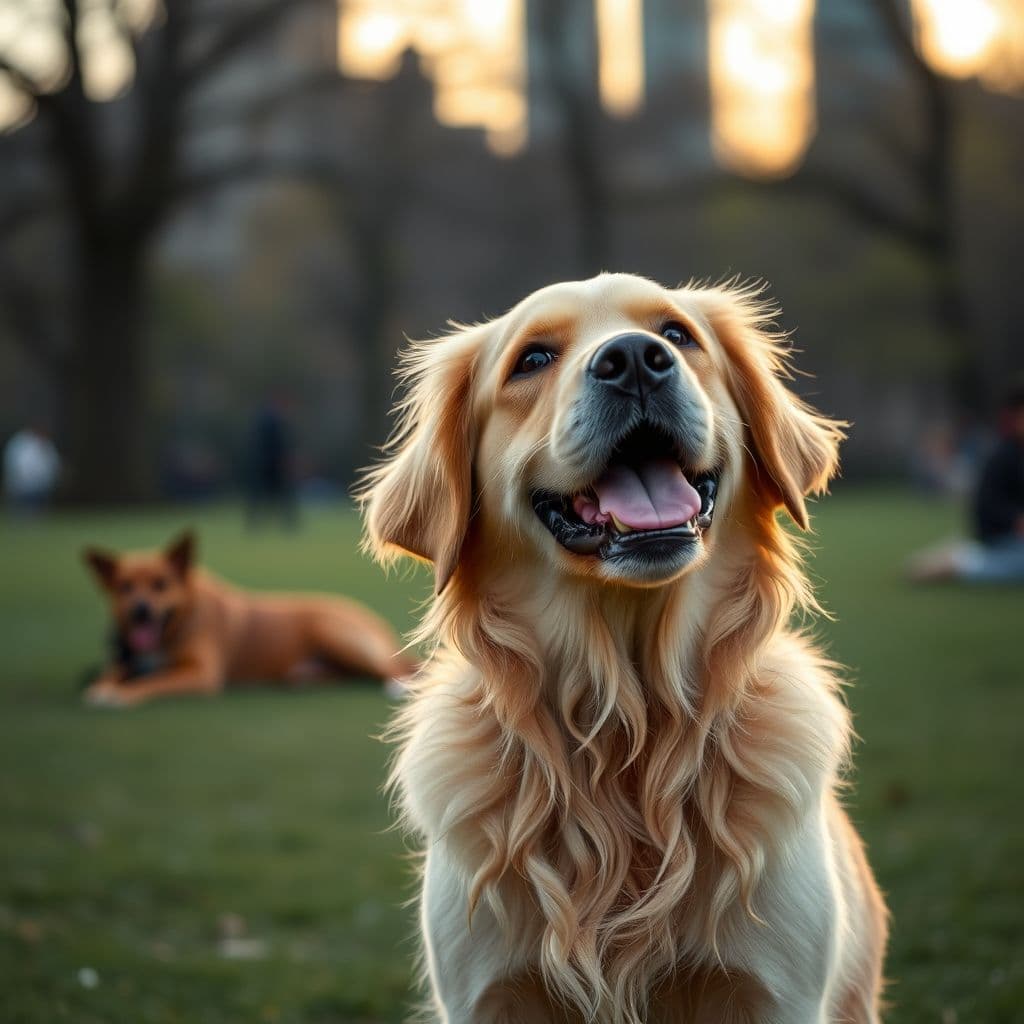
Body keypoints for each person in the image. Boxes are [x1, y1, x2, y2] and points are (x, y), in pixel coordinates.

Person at [908, 383, 1024, 583]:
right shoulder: (1004, 457)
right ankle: (962, 562)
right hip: (1002, 536)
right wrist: (1016, 520)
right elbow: (988, 506)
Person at [245, 395, 298, 529]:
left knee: (259, 495)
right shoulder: (273, 421)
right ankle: (289, 523)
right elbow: (278, 444)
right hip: (272, 464)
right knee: (283, 494)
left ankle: (254, 523)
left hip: (262, 463)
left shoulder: (262, 419)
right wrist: (284, 460)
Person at [3, 424, 61, 515]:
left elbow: (52, 463)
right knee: (24, 511)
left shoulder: (46, 444)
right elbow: (18, 464)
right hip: (24, 485)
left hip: (41, 485)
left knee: (38, 511)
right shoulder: (21, 443)